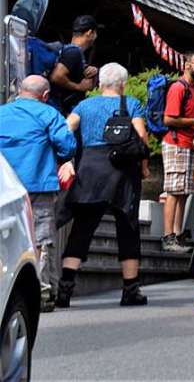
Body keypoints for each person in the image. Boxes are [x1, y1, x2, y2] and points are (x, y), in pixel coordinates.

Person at [57, 63, 150, 308]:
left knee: (82, 227)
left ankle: (65, 290)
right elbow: (141, 138)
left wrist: (68, 160)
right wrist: (143, 168)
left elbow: (66, 130)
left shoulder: (84, 106)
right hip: (123, 172)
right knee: (127, 227)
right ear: (122, 84)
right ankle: (130, 290)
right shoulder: (131, 104)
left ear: (100, 84)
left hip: (90, 169)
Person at [0, 75, 77, 311]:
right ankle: (42, 291)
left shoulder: (2, 112)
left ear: (20, 91)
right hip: (38, 186)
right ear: (45, 96)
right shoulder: (48, 114)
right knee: (42, 240)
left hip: (5, 187)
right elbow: (68, 145)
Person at [161, 52, 194, 252]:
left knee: (183, 192)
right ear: (187, 65)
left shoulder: (191, 88)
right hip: (176, 144)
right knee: (173, 191)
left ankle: (178, 234)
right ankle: (168, 236)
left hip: (187, 145)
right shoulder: (179, 88)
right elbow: (168, 119)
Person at [48, 15, 101, 115]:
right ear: (90, 33)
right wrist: (78, 87)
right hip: (62, 110)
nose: (95, 37)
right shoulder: (74, 52)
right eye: (95, 33)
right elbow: (56, 76)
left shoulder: (72, 51)